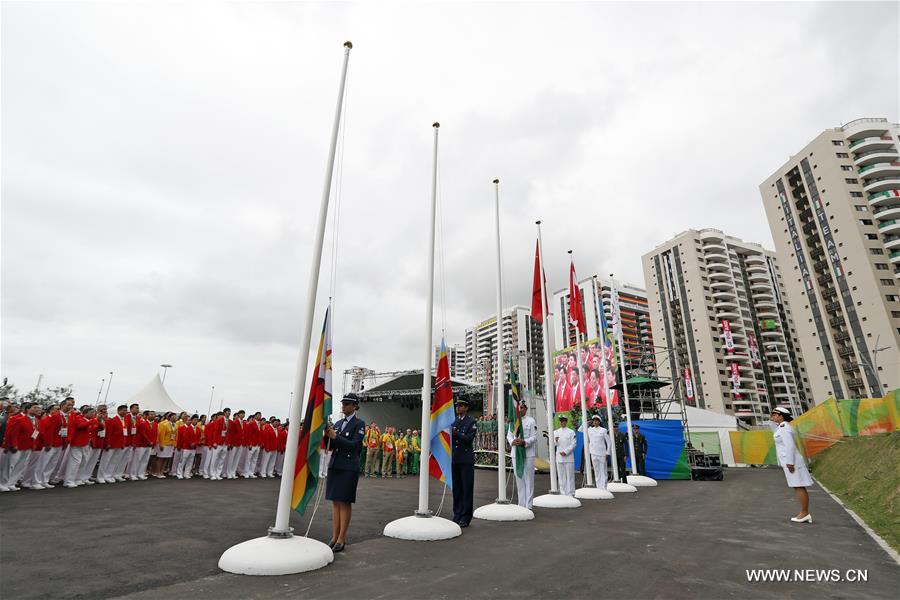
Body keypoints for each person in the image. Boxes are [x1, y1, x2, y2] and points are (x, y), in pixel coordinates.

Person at [324, 393, 365, 553]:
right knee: (335, 501)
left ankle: (341, 538)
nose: (344, 406)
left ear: (355, 406)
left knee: (345, 502)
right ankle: (334, 536)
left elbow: (355, 446)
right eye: (343, 403)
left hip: (348, 466)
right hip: (335, 464)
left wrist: (336, 437)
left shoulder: (359, 423)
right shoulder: (338, 423)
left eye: (347, 404)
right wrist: (326, 435)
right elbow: (331, 444)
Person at [770, 407, 813, 523]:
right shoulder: (781, 427)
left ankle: (804, 513)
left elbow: (789, 446)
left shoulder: (784, 428)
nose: (772, 416)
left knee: (798, 486)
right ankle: (804, 513)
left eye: (774, 414)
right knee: (797, 486)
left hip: (792, 462)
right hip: (790, 461)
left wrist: (789, 462)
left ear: (781, 416)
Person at [451, 398, 477, 527]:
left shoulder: (471, 421)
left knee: (466, 488)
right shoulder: (454, 421)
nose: (458, 408)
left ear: (466, 408)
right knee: (457, 489)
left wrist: (456, 434)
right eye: (457, 405)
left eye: (461, 406)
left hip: (466, 460)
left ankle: (466, 517)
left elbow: (468, 439)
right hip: (455, 459)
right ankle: (457, 514)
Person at [507, 402, 537, 509]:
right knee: (519, 478)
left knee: (529, 479)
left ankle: (528, 505)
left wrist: (525, 442)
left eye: (523, 408)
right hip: (516, 453)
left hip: (527, 453)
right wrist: (512, 441)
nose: (521, 410)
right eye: (519, 408)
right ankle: (521, 504)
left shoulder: (531, 421)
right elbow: (509, 435)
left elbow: (534, 437)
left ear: (526, 409)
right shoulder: (513, 421)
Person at [554, 414, 576, 496]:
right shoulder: (556, 432)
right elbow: (553, 444)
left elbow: (573, 444)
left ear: (566, 422)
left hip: (568, 457)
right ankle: (563, 493)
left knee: (570, 476)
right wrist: (555, 441)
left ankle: (571, 493)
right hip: (559, 458)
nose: (562, 422)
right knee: (561, 476)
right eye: (561, 421)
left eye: (564, 421)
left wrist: (566, 452)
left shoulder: (571, 432)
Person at [587, 414, 610, 489]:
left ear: (599, 422)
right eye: (593, 421)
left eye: (596, 421)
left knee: (603, 470)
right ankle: (598, 487)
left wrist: (607, 452)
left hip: (602, 453)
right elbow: (580, 429)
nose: (595, 422)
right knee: (596, 471)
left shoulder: (603, 430)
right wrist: (588, 422)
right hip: (593, 452)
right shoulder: (590, 430)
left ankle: (604, 487)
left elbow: (609, 442)